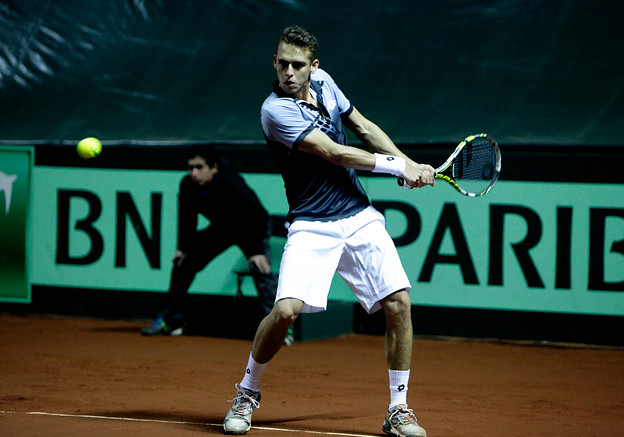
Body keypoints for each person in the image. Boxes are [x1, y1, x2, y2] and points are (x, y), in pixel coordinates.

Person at [222, 26, 435, 436]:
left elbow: (364, 128)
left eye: (297, 65)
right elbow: (334, 153)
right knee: (285, 312)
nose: (288, 72)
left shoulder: (325, 83)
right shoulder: (274, 111)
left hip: (357, 215)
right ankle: (247, 391)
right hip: (311, 223)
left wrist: (407, 163)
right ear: (274, 62)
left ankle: (398, 408)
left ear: (313, 67)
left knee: (400, 304)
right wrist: (396, 168)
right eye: (282, 63)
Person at [141, 145, 292, 344]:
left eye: (199, 167)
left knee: (261, 269)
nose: (193, 173)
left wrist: (255, 251)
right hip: (221, 229)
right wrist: (182, 248)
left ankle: (278, 329)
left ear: (213, 167)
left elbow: (258, 215)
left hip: (249, 228)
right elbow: (186, 218)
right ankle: (170, 320)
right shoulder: (188, 184)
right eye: (190, 167)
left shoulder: (231, 182)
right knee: (183, 264)